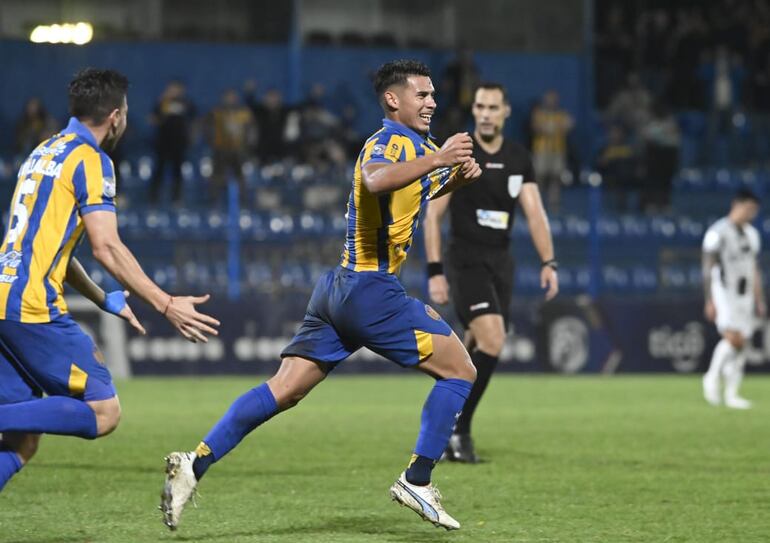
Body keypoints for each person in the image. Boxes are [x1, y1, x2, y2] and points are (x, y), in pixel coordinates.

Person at [160, 59, 482, 532]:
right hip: (371, 290)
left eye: (434, 95)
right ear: (393, 99)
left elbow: (410, 191)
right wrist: (439, 159)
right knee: (460, 370)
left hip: (337, 289)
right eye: (422, 94)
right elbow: (376, 179)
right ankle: (417, 478)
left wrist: (453, 175)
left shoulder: (416, 148)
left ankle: (195, 463)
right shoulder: (392, 140)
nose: (432, 102)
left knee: (282, 390)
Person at [0, 69, 219, 493]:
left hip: (3, 297)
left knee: (21, 440)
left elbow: (53, 248)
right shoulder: (91, 159)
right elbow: (107, 247)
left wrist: (102, 298)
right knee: (104, 411)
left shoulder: (43, 151)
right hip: (31, 307)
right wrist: (165, 302)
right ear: (116, 116)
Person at [423, 83, 559, 463]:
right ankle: (459, 431)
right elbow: (434, 215)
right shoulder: (459, 152)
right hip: (465, 260)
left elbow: (535, 213)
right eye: (479, 106)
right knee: (494, 340)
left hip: (501, 263)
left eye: (492, 107)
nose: (484, 113)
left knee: (469, 352)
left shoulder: (518, 158)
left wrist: (549, 262)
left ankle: (440, 424)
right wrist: (435, 271)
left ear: (506, 112)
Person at [702, 189, 764, 409]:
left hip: (745, 295)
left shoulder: (752, 235)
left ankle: (731, 393)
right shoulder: (717, 232)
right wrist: (709, 299)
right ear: (736, 205)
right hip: (724, 291)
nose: (751, 214)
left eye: (754, 211)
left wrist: (759, 298)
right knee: (733, 338)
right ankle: (711, 377)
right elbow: (707, 268)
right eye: (748, 209)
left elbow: (753, 268)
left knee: (743, 342)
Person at [149, 81, 196, 205]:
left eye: (176, 88)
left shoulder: (186, 103)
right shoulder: (162, 102)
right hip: (163, 142)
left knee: (177, 171)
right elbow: (153, 119)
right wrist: (162, 103)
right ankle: (154, 197)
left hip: (179, 142)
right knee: (159, 169)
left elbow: (194, 119)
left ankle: (177, 198)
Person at [207, 89, 256, 205]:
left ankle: (243, 202)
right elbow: (207, 128)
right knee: (217, 176)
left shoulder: (244, 113)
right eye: (228, 97)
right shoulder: (216, 112)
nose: (231, 99)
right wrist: (211, 141)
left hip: (238, 149)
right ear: (223, 98)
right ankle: (214, 201)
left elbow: (252, 130)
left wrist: (248, 145)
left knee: (240, 177)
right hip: (220, 149)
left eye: (233, 97)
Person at [530, 90, 573, 212]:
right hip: (541, 151)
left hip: (558, 151)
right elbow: (535, 127)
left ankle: (554, 204)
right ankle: (537, 204)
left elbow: (570, 125)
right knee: (539, 177)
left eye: (554, 99)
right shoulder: (539, 114)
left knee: (556, 178)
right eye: (549, 99)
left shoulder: (562, 114)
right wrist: (551, 129)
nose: (551, 101)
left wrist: (554, 128)